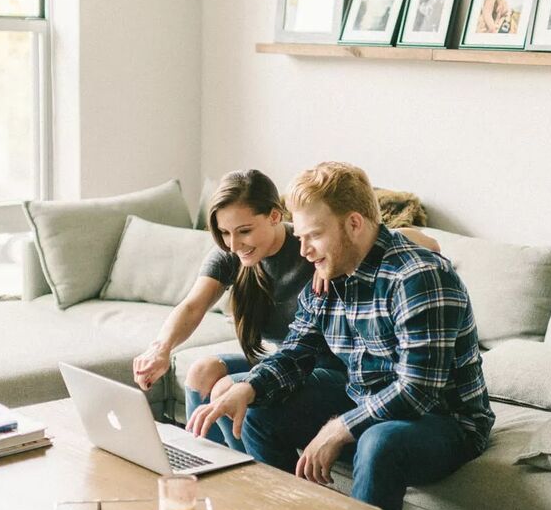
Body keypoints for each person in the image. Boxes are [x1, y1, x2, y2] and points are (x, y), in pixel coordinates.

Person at [190, 162, 495, 510]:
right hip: (364, 397)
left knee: (380, 442)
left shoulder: (418, 278)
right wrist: (249, 387)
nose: (303, 251)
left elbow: (418, 391)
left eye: (313, 236)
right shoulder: (329, 275)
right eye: (299, 236)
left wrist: (340, 427)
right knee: (258, 411)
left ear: (354, 223)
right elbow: (295, 352)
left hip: (444, 419)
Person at [133, 169, 440, 452]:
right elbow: (192, 305)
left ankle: (250, 477)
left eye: (244, 231)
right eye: (224, 233)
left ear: (275, 216)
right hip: (289, 358)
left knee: (228, 389)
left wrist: (325, 261)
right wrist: (160, 350)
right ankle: (207, 468)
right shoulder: (232, 254)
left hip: (332, 366)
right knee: (202, 371)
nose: (234, 243)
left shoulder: (313, 244)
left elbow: (428, 243)